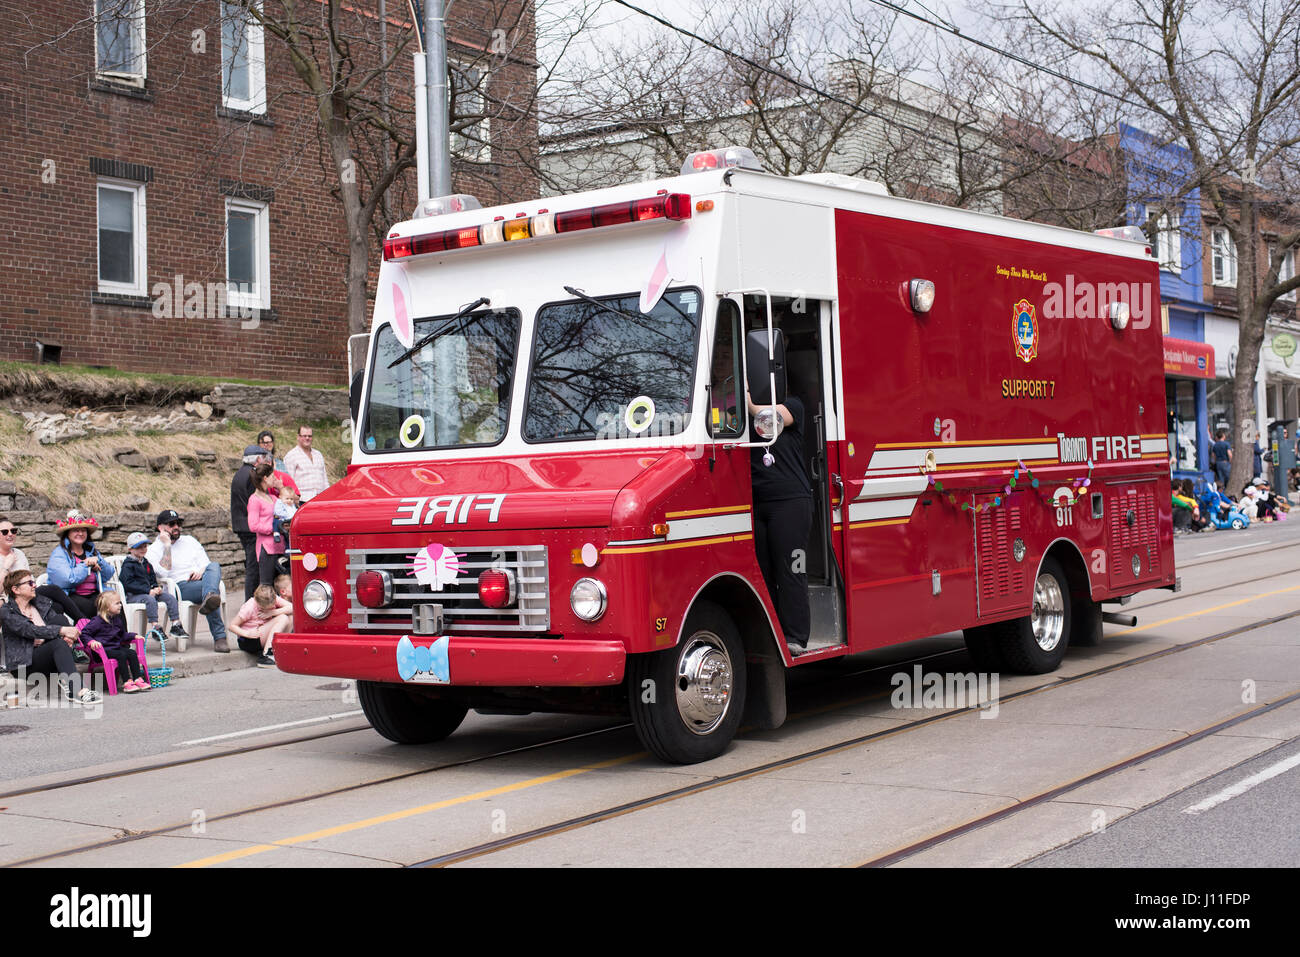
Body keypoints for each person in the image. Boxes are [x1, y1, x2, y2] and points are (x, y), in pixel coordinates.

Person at [747, 388, 812, 654]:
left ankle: (796, 637)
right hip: (755, 502)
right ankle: (771, 635)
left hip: (791, 503)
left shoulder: (793, 405)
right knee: (762, 572)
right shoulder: (731, 413)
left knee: (791, 569)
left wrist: (747, 403)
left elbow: (769, 420)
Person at [1, 569, 99, 704]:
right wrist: (62, 631)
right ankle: (79, 690)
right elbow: (29, 630)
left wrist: (67, 635)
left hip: (47, 655)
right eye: (29, 583)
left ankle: (71, 684)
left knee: (59, 622)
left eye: (34, 582)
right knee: (58, 642)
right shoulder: (7, 612)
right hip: (24, 665)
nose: (34, 585)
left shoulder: (39, 604)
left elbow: (57, 622)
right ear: (16, 589)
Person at [146, 510, 229, 653]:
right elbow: (163, 573)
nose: (176, 526)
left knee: (214, 566)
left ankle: (210, 595)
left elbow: (206, 563)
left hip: (200, 581)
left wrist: (200, 572)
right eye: (172, 524)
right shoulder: (153, 550)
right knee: (210, 592)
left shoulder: (190, 540)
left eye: (178, 523)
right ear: (161, 528)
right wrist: (167, 546)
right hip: (178, 588)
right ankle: (220, 637)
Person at [44, 512, 116, 621]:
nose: (80, 533)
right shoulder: (59, 554)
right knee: (90, 607)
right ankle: (88, 636)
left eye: (83, 530)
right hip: (70, 595)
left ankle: (121, 636)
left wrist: (99, 561)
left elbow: (108, 575)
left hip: (93, 593)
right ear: (68, 533)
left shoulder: (91, 551)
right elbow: (67, 579)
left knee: (114, 605)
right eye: (76, 530)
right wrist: (86, 565)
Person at [120, 531, 186, 641]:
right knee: (150, 599)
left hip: (148, 593)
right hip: (133, 595)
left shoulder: (146, 563)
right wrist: (147, 590)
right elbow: (127, 584)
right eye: (138, 547)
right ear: (130, 549)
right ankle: (156, 627)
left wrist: (156, 587)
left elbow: (152, 578)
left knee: (170, 598)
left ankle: (176, 624)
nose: (142, 549)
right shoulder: (128, 565)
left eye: (144, 546)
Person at [80, 592, 149, 693]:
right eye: (117, 603)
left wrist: (134, 635)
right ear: (107, 607)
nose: (120, 605)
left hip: (114, 648)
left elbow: (122, 635)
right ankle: (126, 682)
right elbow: (83, 633)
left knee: (131, 652)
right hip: (101, 652)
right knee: (121, 654)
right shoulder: (97, 621)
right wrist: (91, 641)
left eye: (120, 603)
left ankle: (137, 679)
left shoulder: (117, 620)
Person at [227, 584, 291, 668]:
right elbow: (231, 626)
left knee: (291, 617)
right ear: (258, 602)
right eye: (264, 608)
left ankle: (281, 650)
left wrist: (272, 612)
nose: (268, 609)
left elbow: (292, 607)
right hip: (249, 639)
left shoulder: (272, 597)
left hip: (262, 634)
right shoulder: (250, 607)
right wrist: (247, 634)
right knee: (283, 618)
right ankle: (266, 655)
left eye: (271, 607)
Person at [231, 445, 263, 600]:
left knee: (252, 564)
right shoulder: (251, 474)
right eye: (262, 458)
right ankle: (250, 600)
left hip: (241, 524)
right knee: (253, 566)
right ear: (257, 459)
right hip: (249, 525)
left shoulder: (239, 473)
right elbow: (254, 500)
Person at [247, 463, 286, 586]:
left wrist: (281, 488)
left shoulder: (273, 498)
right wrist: (273, 528)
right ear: (265, 478)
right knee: (266, 584)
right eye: (272, 477)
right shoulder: (254, 500)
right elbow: (253, 525)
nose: (275, 479)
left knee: (283, 584)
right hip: (267, 548)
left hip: (280, 546)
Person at [283, 425, 329, 503]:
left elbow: (324, 479)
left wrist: (328, 495)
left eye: (309, 436)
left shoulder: (318, 454)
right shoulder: (291, 456)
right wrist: (293, 499)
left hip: (321, 499)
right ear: (298, 437)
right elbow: (288, 482)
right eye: (304, 436)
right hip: (302, 501)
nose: (307, 438)